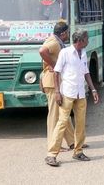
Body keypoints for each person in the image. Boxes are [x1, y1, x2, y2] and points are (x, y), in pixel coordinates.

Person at [45, 30, 100, 167]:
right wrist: (57, 92)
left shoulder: (83, 53)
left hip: (80, 93)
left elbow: (86, 72)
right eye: (86, 39)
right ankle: (51, 154)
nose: (88, 42)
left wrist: (93, 89)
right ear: (80, 40)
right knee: (62, 122)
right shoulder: (65, 53)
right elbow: (56, 73)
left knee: (80, 123)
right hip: (67, 93)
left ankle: (78, 151)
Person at [39, 21, 75, 151]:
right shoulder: (54, 42)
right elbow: (42, 51)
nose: (68, 35)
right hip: (52, 82)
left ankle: (72, 142)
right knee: (54, 115)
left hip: (57, 82)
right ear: (63, 33)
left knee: (64, 113)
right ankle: (54, 145)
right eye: (68, 32)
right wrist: (54, 65)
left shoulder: (57, 41)